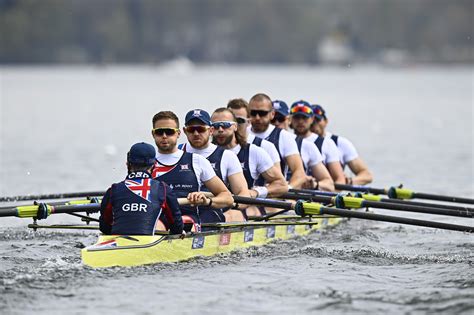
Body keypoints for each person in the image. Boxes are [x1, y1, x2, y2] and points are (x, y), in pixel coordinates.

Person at [150, 111, 233, 230]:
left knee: (183, 224)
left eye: (169, 132)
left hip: (188, 218)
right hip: (158, 218)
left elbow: (227, 198)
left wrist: (206, 201)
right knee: (155, 226)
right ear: (153, 134)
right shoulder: (147, 163)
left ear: (178, 133)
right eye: (159, 132)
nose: (164, 136)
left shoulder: (197, 161)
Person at [211, 107, 288, 215]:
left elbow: (282, 185)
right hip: (212, 207)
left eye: (225, 125)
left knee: (231, 214)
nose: (220, 129)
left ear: (235, 127)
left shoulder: (255, 152)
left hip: (245, 208)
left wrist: (256, 192)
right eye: (215, 126)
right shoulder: (204, 154)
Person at [99, 142, 184, 236]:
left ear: (128, 164)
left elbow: (104, 226)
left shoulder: (113, 190)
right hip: (148, 245)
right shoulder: (163, 189)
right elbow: (177, 227)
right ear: (154, 165)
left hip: (117, 246)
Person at [179, 109, 247, 222]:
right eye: (191, 129)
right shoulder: (177, 152)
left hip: (213, 211)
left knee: (235, 214)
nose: (196, 133)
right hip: (182, 210)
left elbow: (243, 194)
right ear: (185, 131)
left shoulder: (227, 156)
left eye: (200, 129)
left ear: (211, 131)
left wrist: (230, 205)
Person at [271, 100, 335, 191]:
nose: (276, 123)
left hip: (294, 199)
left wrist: (315, 184)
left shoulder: (307, 146)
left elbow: (330, 185)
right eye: (272, 119)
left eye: (280, 119)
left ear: (288, 120)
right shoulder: (258, 143)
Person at [248, 93, 307, 189]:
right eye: (253, 113)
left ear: (272, 114)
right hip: (245, 195)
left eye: (262, 113)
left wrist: (286, 188)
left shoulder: (284, 136)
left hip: (272, 197)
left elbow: (299, 173)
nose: (257, 117)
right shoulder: (242, 133)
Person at [311, 104, 373, 185]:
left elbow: (367, 175)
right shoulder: (299, 143)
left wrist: (348, 181)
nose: (314, 125)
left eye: (317, 121)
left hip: (332, 192)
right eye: (312, 122)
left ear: (326, 122)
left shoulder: (340, 143)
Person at [290, 100, 346, 185]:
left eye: (304, 117)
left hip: (318, 195)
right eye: (297, 117)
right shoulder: (286, 141)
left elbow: (340, 180)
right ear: (290, 119)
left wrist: (317, 186)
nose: (300, 121)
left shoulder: (327, 143)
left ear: (312, 119)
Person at [227, 98, 281, 169]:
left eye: (239, 120)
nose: (235, 125)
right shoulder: (217, 146)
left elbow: (278, 179)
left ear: (249, 122)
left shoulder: (266, 147)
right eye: (230, 121)